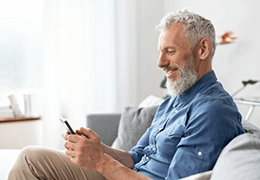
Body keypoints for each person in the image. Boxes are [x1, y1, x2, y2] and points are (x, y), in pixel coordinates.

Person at [8, 9, 245, 180]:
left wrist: (100, 162)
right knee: (31, 157)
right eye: (160, 52)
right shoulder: (173, 101)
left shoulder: (213, 111)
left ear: (202, 49)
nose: (160, 62)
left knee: (30, 159)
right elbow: (136, 156)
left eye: (170, 51)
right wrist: (101, 149)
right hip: (124, 174)